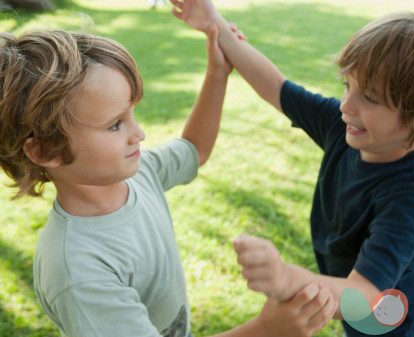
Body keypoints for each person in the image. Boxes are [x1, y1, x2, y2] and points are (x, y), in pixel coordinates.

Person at [0, 23, 337, 337]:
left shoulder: (137, 174)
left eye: (133, 114)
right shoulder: (77, 268)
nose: (139, 133)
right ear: (46, 151)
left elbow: (193, 149)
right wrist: (266, 329)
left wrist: (217, 74)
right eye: (115, 124)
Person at [170, 0, 414, 335]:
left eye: (369, 98)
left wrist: (286, 278)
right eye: (347, 86)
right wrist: (215, 23)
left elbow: (365, 295)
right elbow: (277, 88)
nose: (346, 106)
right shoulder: (341, 128)